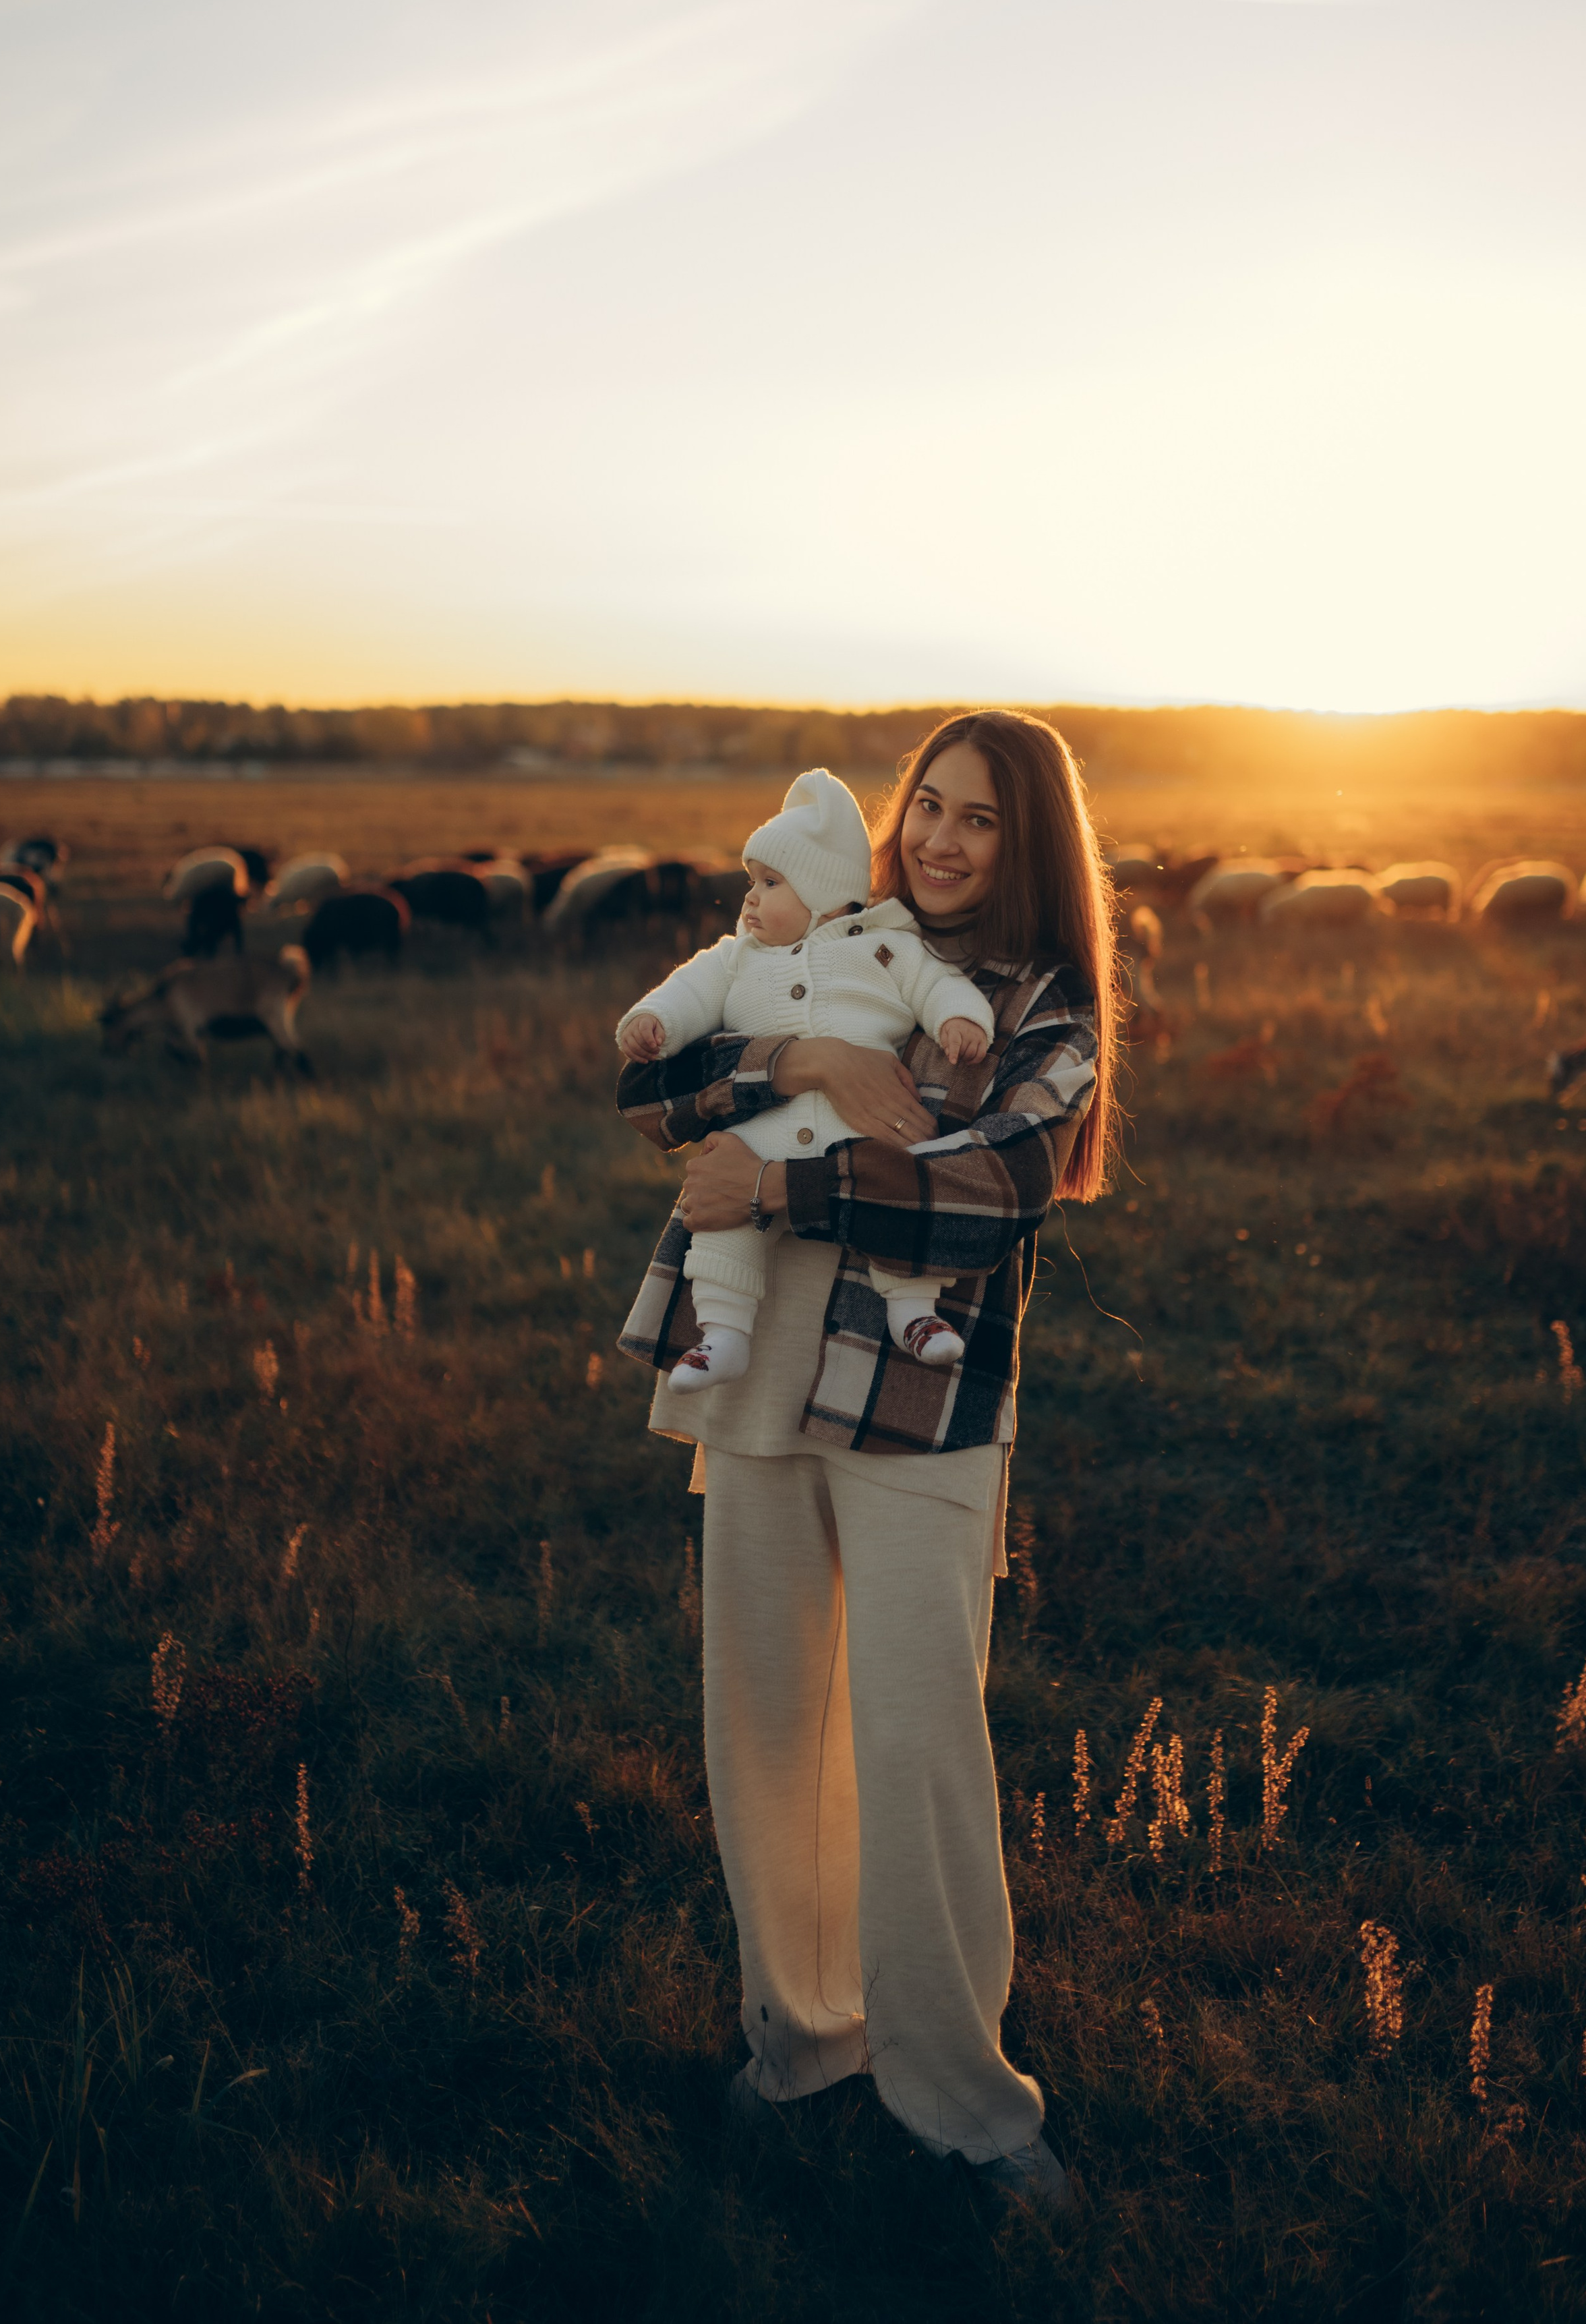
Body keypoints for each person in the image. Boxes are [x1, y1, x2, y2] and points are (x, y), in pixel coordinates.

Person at [615, 711, 1119, 2209]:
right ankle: (802, 2040)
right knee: (764, 1722)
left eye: (981, 820)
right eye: (928, 809)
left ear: (1029, 846)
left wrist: (776, 1176)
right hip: (759, 1370)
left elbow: (990, 1189)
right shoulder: (823, 932)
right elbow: (652, 1090)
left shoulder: (1033, 1008)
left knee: (914, 1743)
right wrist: (813, 1051)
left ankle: (964, 2099)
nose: (945, 842)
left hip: (919, 1408)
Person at [614, 767, 995, 1389]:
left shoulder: (887, 948)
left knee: (903, 1191)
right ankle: (723, 1332)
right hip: (763, 1133)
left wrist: (959, 1018)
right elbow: (687, 991)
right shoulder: (736, 958)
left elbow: (939, 984)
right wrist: (654, 1019)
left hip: (865, 1129)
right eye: (751, 882)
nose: (750, 898)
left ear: (826, 894)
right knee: (723, 1217)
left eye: (770, 882)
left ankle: (914, 1312)